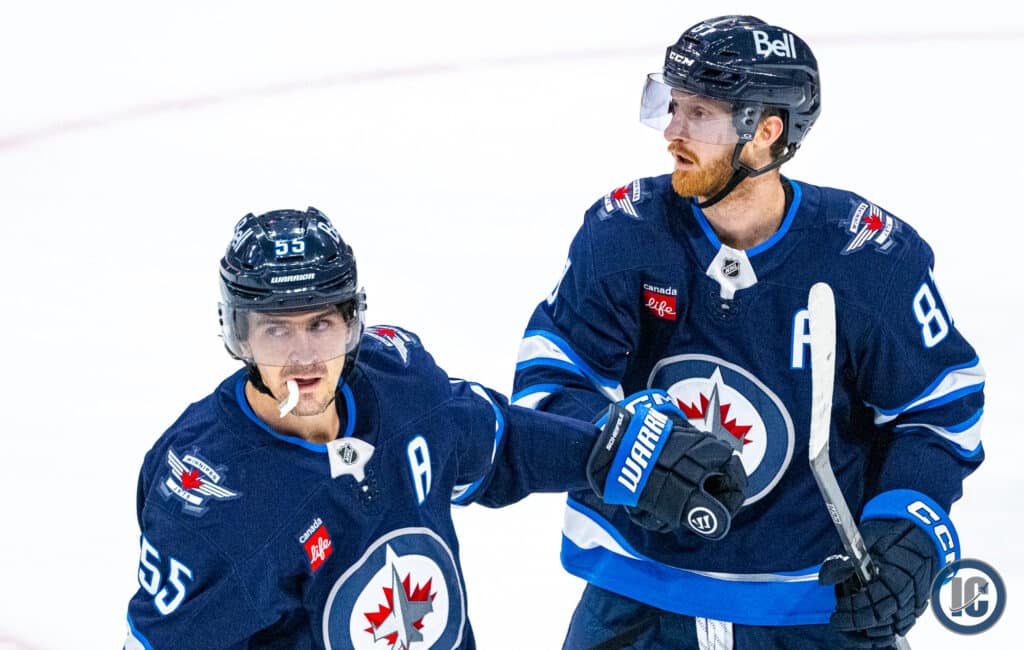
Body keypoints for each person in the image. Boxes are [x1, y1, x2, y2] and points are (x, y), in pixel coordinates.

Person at [512, 15, 985, 649]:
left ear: (766, 132)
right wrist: (621, 442)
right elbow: (550, 377)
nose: (672, 132)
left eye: (699, 114)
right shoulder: (625, 233)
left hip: (816, 611)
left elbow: (938, 409)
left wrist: (910, 523)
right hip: (637, 601)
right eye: (671, 105)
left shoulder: (868, 260)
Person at [123, 207, 738, 649]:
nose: (303, 357)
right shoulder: (212, 498)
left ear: (353, 322)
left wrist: (610, 453)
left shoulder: (402, 387)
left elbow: (496, 445)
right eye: (276, 329)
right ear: (240, 335)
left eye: (321, 324)